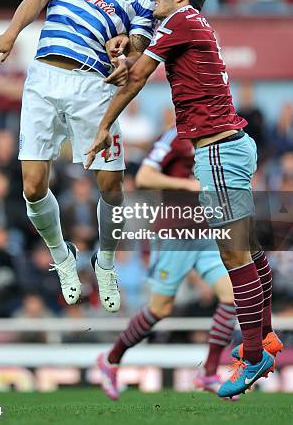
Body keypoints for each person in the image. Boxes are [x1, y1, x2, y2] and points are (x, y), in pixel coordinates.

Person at [86, 0, 283, 398]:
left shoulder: (179, 20)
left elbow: (137, 77)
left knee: (236, 257)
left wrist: (104, 125)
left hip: (216, 151)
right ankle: (263, 336)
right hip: (231, 145)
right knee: (247, 250)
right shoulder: (189, 25)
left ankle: (252, 357)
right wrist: (125, 57)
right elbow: (135, 68)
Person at [0, 0, 156, 314]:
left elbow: (136, 47)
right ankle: (63, 257)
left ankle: (106, 261)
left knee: (112, 186)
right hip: (44, 76)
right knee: (31, 186)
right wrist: (11, 32)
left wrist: (124, 55)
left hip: (93, 87)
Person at [96, 122, 237, 400]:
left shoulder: (220, 133)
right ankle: (111, 359)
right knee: (159, 309)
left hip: (206, 231)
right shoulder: (176, 135)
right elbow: (146, 177)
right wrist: (186, 184)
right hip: (176, 234)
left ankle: (208, 371)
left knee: (231, 297)